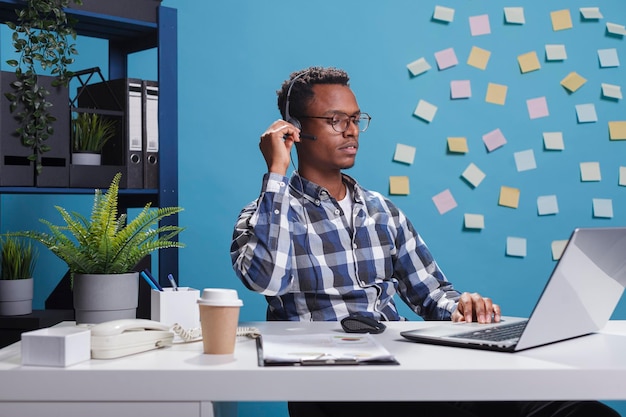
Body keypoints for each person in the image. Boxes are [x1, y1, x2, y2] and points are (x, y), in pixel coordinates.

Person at [230, 66, 620, 417]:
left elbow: (432, 295)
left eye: (355, 119)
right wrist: (277, 174)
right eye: (335, 120)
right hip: (333, 381)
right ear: (294, 129)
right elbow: (266, 279)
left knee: (569, 408)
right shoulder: (267, 211)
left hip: (401, 367)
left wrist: (463, 308)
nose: (350, 130)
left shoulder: (383, 211)